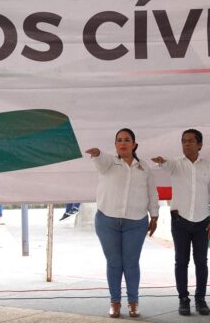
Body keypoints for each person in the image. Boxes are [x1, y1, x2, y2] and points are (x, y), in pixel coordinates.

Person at [86, 128, 159, 318]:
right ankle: (115, 302)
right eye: (119, 140)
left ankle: (133, 302)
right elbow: (100, 161)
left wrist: (155, 216)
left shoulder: (143, 167)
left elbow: (152, 193)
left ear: (134, 144)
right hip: (107, 221)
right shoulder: (109, 162)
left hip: (135, 222)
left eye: (127, 140)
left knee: (131, 263)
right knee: (114, 263)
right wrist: (97, 154)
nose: (123, 143)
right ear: (115, 145)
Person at [152, 129, 210, 316]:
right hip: (180, 222)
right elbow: (166, 165)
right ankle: (183, 299)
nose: (186, 144)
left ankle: (201, 300)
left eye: (191, 141)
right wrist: (161, 161)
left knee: (201, 262)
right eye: (183, 141)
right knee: (181, 262)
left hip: (202, 222)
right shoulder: (176, 164)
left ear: (200, 144)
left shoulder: (208, 166)